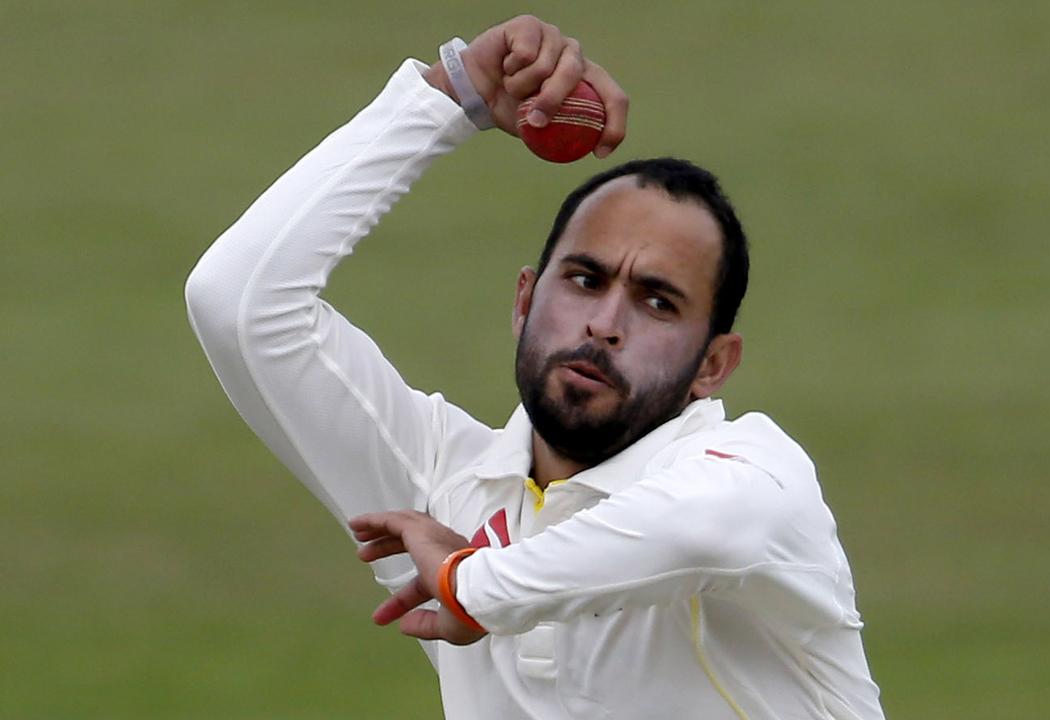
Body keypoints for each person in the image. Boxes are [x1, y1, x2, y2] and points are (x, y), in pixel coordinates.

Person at [185, 14, 884, 720]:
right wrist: (448, 96)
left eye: (657, 302)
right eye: (584, 279)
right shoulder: (441, 488)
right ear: (524, 300)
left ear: (712, 366)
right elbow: (239, 303)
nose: (606, 325)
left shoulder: (755, 474)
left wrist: (471, 584)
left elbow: (703, 532)